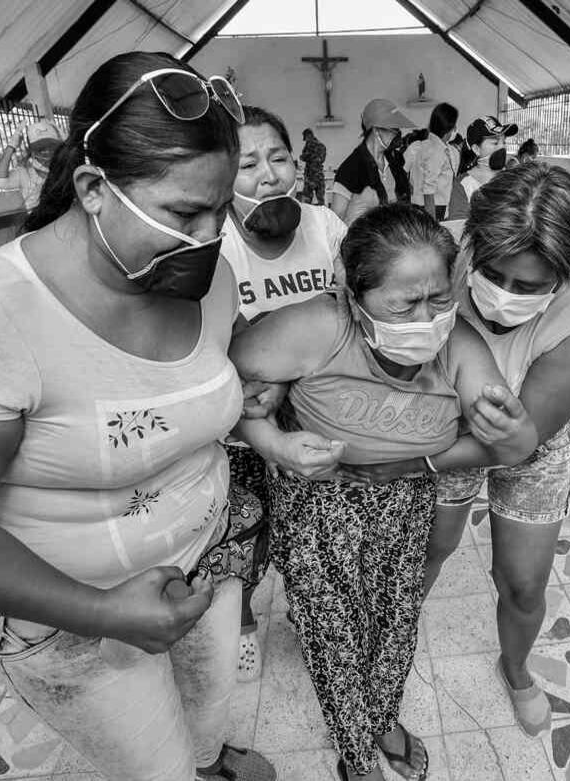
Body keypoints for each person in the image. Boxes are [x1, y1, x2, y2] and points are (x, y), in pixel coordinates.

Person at [0, 52, 288, 781]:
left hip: (210, 565)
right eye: (184, 212)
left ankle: (210, 760)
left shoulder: (214, 279)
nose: (211, 235)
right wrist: (101, 611)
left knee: (204, 725)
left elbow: (179, 398)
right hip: (70, 626)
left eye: (221, 208)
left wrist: (235, 404)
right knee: (154, 768)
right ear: (95, 189)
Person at [230, 203, 538, 781]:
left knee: (393, 626)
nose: (427, 318)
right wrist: (270, 434)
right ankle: (356, 751)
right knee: (333, 636)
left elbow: (514, 442)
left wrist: (512, 427)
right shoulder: (318, 327)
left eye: (439, 299)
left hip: (404, 507)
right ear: (353, 292)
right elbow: (220, 393)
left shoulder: (458, 344)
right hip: (318, 508)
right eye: (405, 304)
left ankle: (382, 717)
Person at [359, 164, 570, 738]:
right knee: (424, 553)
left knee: (522, 583)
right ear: (471, 244)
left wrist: (406, 462)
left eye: (529, 287)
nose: (504, 296)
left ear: (565, 275)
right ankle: (382, 651)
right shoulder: (439, 259)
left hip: (526, 449)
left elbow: (522, 443)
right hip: (439, 426)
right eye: (493, 275)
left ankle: (516, 668)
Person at [218, 104, 348, 680]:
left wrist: (283, 377)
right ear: (222, 176)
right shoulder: (215, 243)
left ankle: (308, 612)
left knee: (316, 537)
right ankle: (242, 622)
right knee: (244, 535)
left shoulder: (325, 228)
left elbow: (348, 311)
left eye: (278, 158)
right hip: (242, 426)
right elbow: (202, 341)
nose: (267, 175)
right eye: (247, 164)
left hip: (317, 416)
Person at [329, 98, 414, 225]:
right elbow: (335, 219)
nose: (397, 135)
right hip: (360, 241)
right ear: (376, 130)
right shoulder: (351, 168)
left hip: (390, 239)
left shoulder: (394, 164)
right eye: (393, 130)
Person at [445, 116, 517, 221]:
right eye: (495, 143)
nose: (502, 147)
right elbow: (458, 229)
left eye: (504, 142)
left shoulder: (512, 179)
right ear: (476, 149)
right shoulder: (463, 185)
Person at [0, 120, 64, 210]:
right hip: (41, 220)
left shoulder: (65, 166)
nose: (47, 151)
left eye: (51, 146)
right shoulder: (24, 173)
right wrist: (12, 146)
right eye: (40, 148)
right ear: (32, 150)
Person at [415, 102, 459, 220]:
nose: (456, 129)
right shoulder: (435, 151)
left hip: (434, 205)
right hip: (434, 207)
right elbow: (428, 189)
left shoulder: (433, 146)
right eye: (454, 125)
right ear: (448, 127)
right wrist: (432, 220)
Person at [298, 127, 327, 205]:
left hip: (310, 175)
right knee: (321, 200)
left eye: (305, 137)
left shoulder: (309, 144)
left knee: (307, 201)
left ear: (308, 135)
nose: (306, 140)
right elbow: (323, 159)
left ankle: (307, 216)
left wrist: (301, 157)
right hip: (319, 175)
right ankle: (322, 215)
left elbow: (305, 157)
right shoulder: (322, 145)